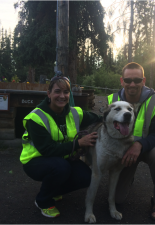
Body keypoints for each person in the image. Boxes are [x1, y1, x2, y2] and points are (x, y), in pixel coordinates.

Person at [20, 76, 101, 218]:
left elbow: (97, 118)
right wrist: (79, 143)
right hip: (35, 161)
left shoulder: (75, 112)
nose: (62, 96)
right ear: (49, 94)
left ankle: (54, 191)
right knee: (61, 168)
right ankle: (43, 201)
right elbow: (47, 150)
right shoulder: (36, 118)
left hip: (61, 159)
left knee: (86, 176)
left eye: (66, 92)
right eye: (57, 91)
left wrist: (114, 119)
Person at [107, 62, 155, 221]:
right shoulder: (112, 100)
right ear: (122, 81)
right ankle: (128, 176)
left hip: (148, 148)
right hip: (124, 151)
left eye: (137, 79)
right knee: (117, 199)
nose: (132, 84)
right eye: (128, 80)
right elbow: (106, 128)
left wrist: (139, 145)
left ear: (144, 80)